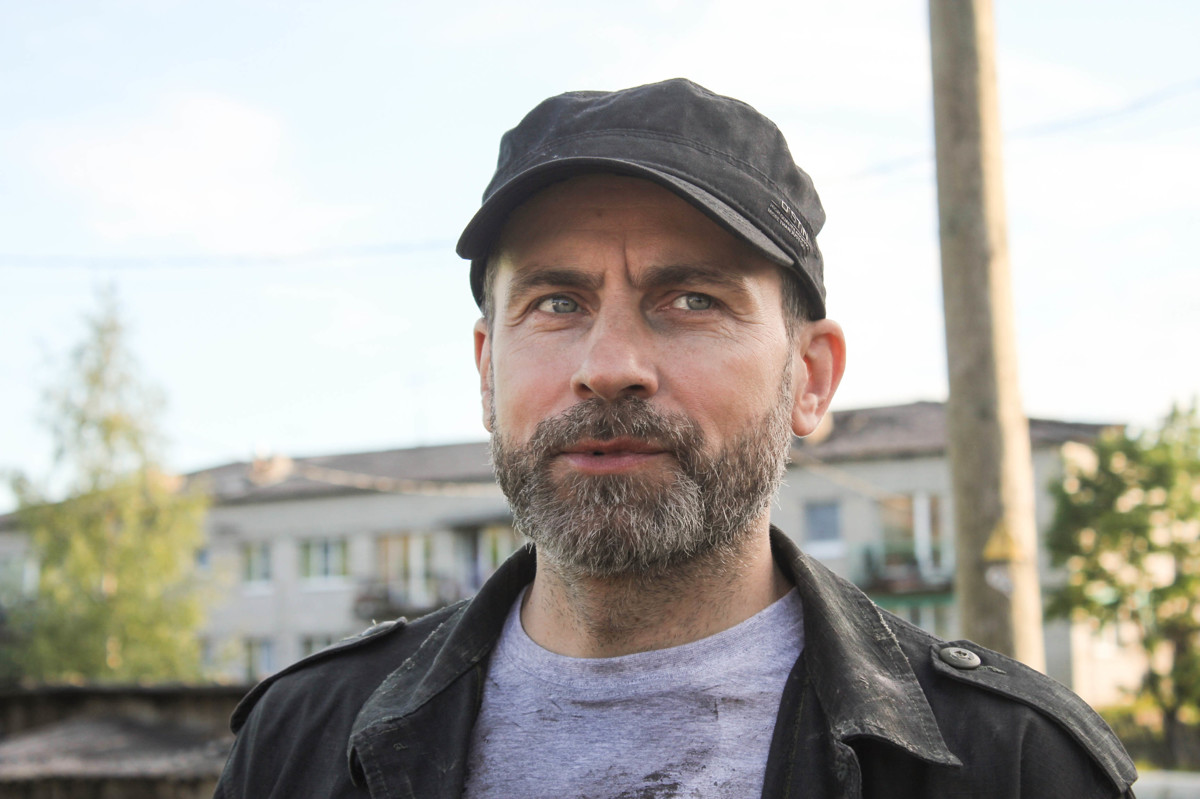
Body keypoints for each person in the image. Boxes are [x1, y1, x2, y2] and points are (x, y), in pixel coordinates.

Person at [214, 79, 1137, 798]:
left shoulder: (1012, 765)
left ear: (810, 375)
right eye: (556, 303)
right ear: (487, 371)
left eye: (691, 299)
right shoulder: (301, 741)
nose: (610, 365)